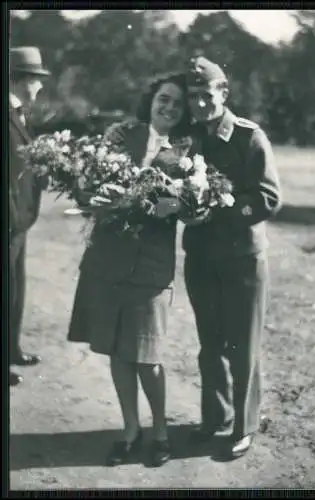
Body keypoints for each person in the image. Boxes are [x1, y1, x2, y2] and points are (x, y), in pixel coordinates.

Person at [67, 73, 192, 467]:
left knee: (147, 356)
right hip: (108, 260)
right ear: (151, 99)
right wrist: (90, 194)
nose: (169, 107)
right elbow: (85, 184)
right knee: (117, 351)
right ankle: (129, 429)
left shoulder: (189, 149)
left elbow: (195, 202)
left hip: (151, 268)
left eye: (177, 104)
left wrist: (177, 204)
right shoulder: (121, 135)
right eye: (164, 99)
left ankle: (160, 432)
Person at [182, 56, 283, 460]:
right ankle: (215, 417)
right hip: (202, 257)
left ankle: (243, 427)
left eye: (207, 95)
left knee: (242, 345)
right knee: (210, 343)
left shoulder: (248, 136)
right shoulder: (189, 138)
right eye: (194, 97)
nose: (200, 104)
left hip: (241, 258)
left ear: (223, 93)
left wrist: (218, 207)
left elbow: (269, 197)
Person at [9, 46, 51, 387]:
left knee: (16, 288)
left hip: (19, 219)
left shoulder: (21, 113)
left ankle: (12, 349)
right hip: (9, 220)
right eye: (37, 80)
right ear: (22, 80)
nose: (40, 87)